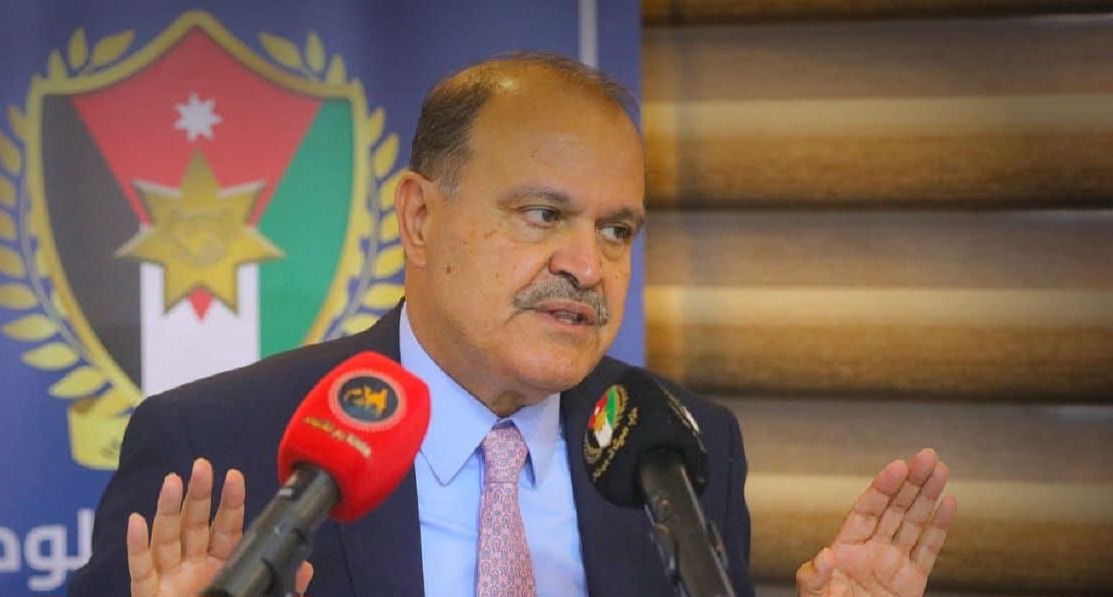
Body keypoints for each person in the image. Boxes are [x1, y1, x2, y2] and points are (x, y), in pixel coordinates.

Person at [67, 51, 957, 597]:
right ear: (420, 218)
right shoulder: (215, 445)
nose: (588, 264)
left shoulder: (684, 450)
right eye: (542, 214)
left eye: (617, 230)